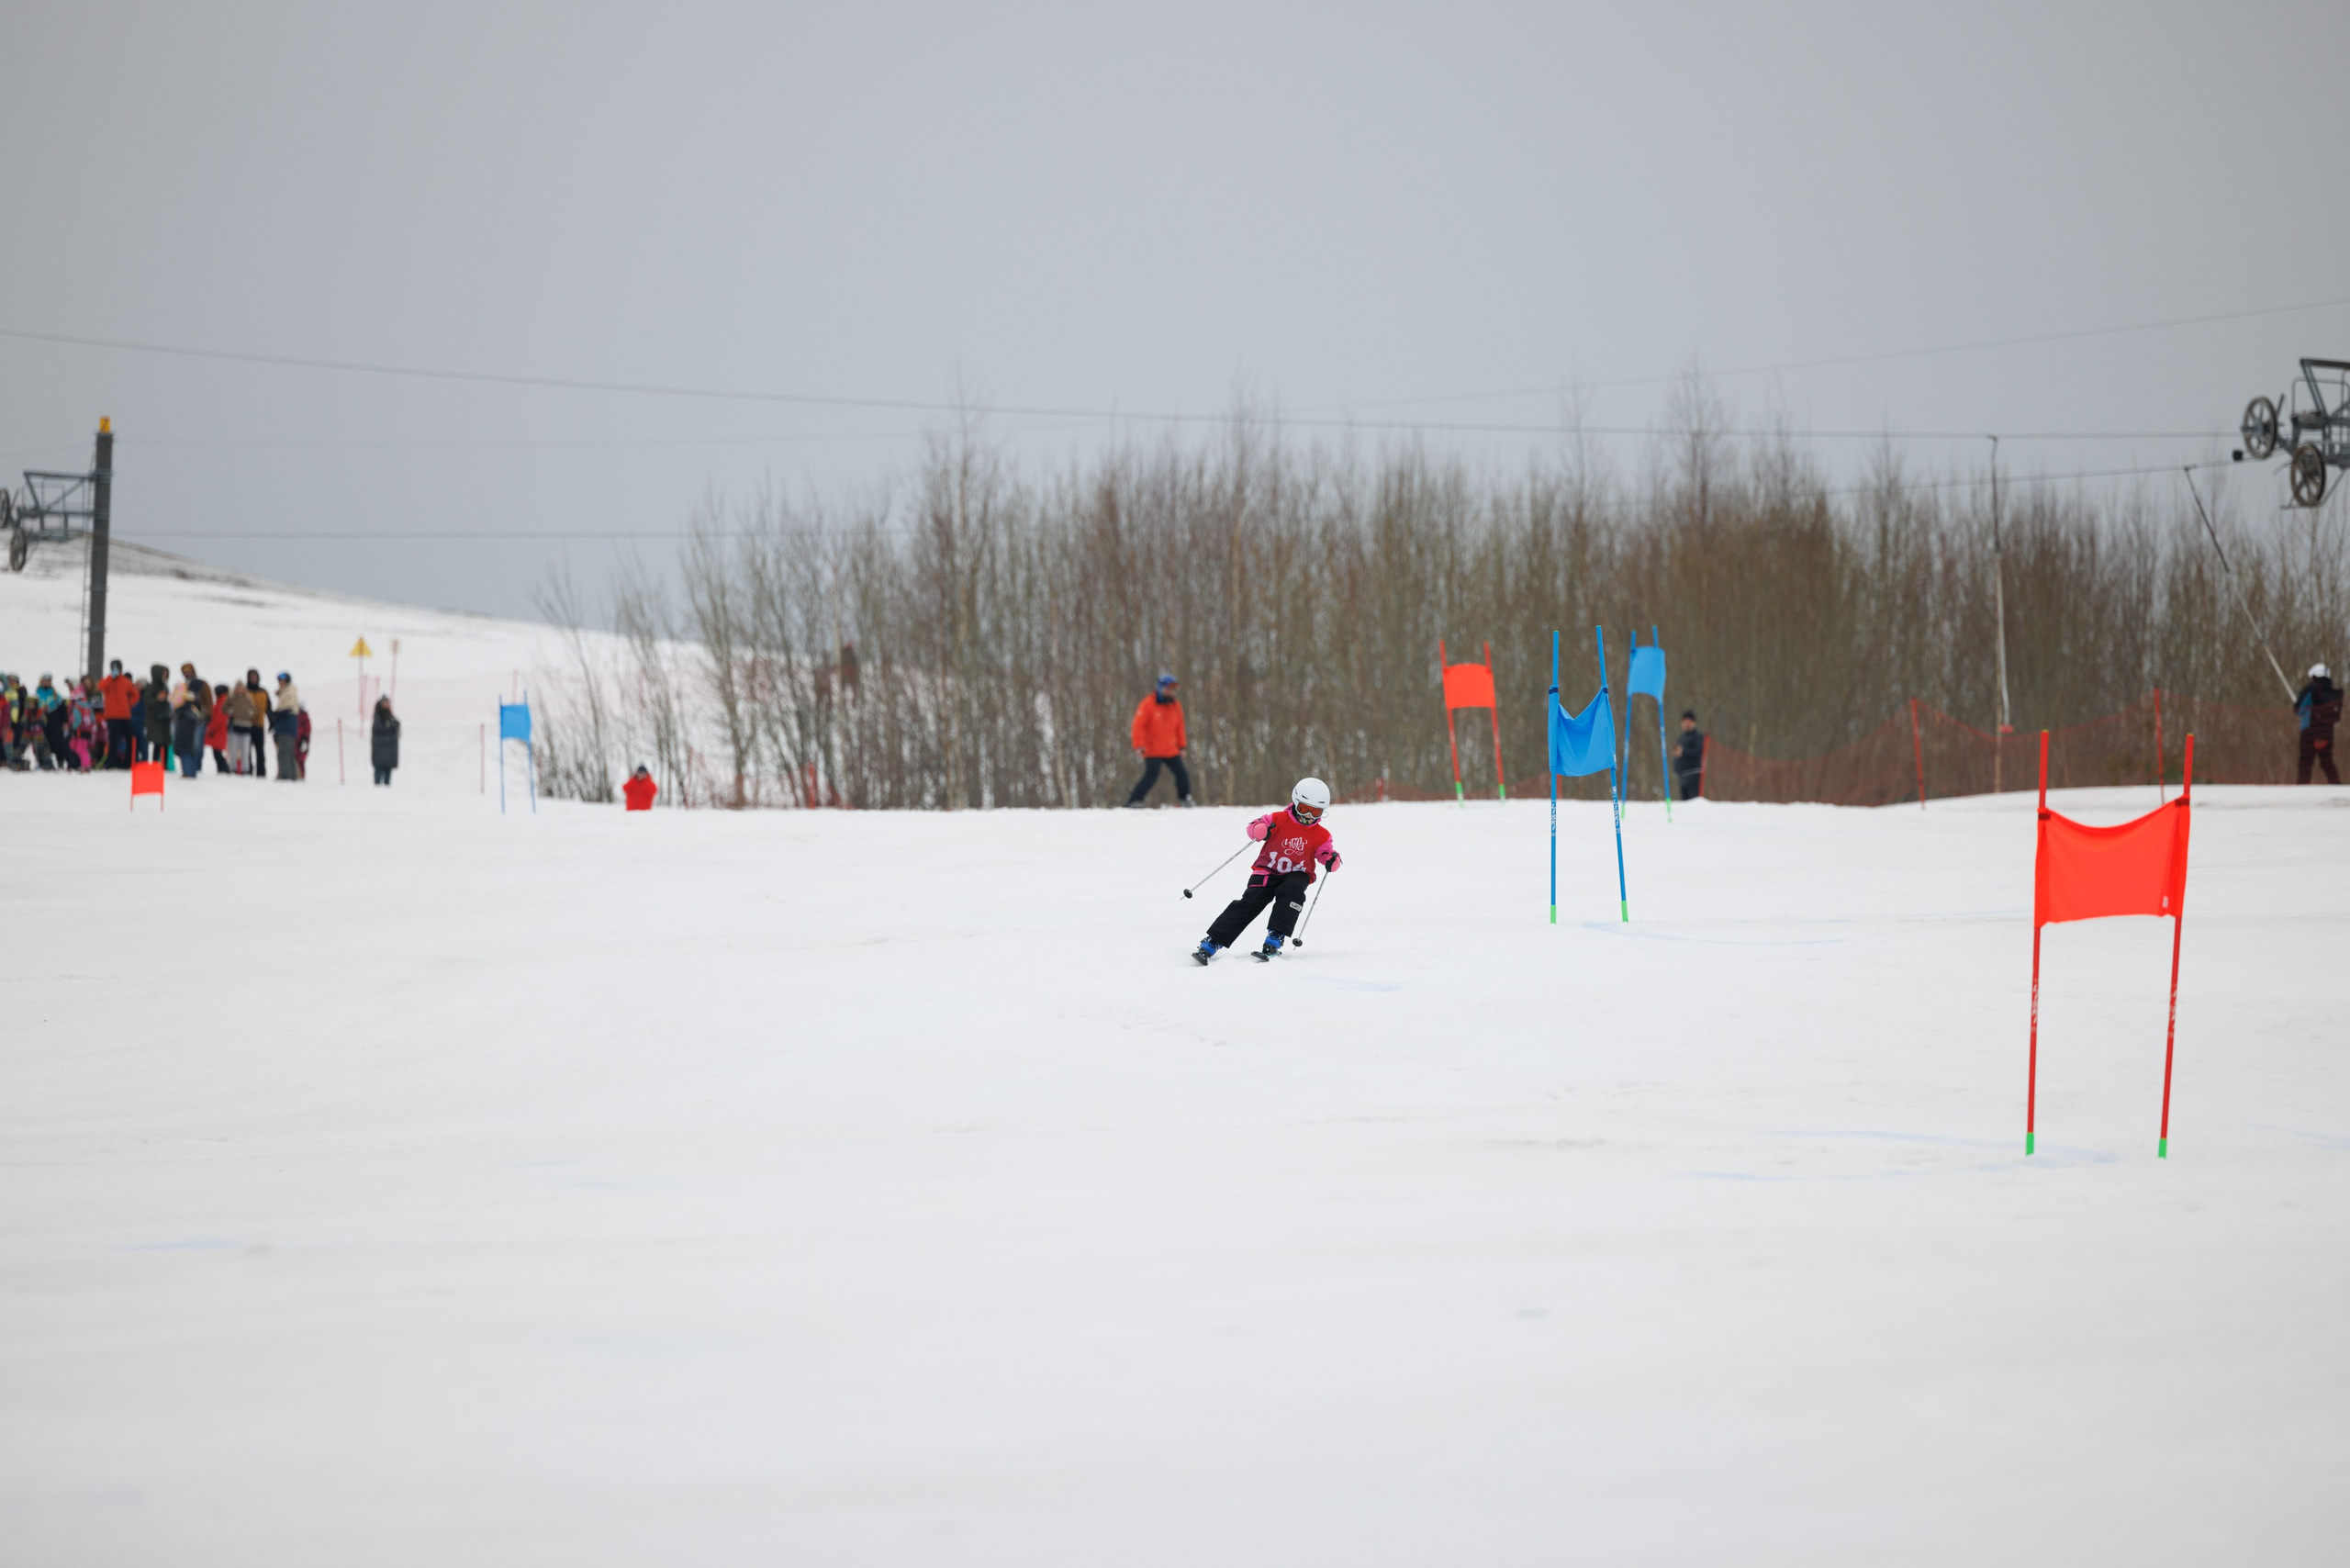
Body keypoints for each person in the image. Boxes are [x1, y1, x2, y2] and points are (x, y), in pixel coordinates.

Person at [1194, 777, 1342, 963]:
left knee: (1292, 892)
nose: (1308, 816)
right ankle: (1214, 941)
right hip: (1267, 870)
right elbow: (1253, 827)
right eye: (1305, 809)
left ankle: (1275, 937)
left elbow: (1325, 853)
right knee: (1250, 902)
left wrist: (1331, 860)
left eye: (1316, 812)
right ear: (1295, 802)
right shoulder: (1277, 819)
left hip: (1298, 873)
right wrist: (1260, 830)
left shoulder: (1321, 834)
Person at [1125, 672, 1193, 808]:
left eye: (1173, 690)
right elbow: (1138, 726)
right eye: (1168, 689)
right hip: (1152, 749)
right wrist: (1138, 745)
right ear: (1160, 688)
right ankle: (1134, 801)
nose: (1170, 692)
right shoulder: (1148, 704)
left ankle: (1184, 799)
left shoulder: (1176, 706)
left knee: (1182, 774)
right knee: (1151, 774)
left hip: (1171, 749)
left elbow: (1180, 727)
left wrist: (1182, 747)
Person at [2296, 663, 2341, 785]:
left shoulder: (2310, 689)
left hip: (2309, 732)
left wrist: (2300, 697)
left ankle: (2302, 789)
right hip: (2327, 733)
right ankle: (2337, 786)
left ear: (2314, 675)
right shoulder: (2332, 692)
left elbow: (2298, 709)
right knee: (2327, 762)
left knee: (2305, 763)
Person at [99, 660, 140, 768]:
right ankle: (111, 764)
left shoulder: (126, 682)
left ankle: (128, 764)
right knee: (113, 741)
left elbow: (135, 695)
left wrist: (128, 704)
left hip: (125, 716)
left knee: (130, 740)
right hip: (112, 716)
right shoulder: (107, 680)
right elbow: (101, 687)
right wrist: (111, 678)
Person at [270, 673, 303, 781]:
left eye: (283, 679)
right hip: (283, 727)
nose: (281, 681)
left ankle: (286, 776)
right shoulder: (284, 693)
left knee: (284, 753)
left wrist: (276, 714)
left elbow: (288, 709)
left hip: (286, 728)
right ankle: (292, 775)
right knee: (286, 752)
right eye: (279, 679)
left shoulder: (289, 692)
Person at [141, 665, 173, 766]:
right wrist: (158, 700)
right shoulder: (152, 687)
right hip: (155, 721)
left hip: (164, 719)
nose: (165, 676)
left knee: (165, 744)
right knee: (158, 744)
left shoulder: (165, 686)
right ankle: (156, 765)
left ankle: (164, 765)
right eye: (163, 674)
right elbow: (147, 702)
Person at [1672, 711, 1706, 801]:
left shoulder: (1698, 736)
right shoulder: (1681, 738)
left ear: (1693, 723)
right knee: (1685, 804)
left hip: (1694, 775)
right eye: (1684, 722)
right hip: (1683, 776)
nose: (1686, 724)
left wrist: (1683, 752)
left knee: (1694, 803)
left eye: (1688, 722)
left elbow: (1699, 751)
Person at [370, 697, 400, 786]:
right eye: (385, 703)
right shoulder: (378, 717)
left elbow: (396, 725)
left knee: (388, 771)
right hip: (380, 749)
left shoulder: (391, 717)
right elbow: (378, 729)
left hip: (390, 750)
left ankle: (387, 788)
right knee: (379, 771)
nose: (387, 705)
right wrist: (390, 728)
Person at [207, 684, 233, 774]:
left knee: (217, 752)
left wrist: (211, 728)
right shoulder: (223, 701)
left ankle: (223, 769)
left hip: (219, 731)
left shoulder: (222, 702)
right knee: (218, 752)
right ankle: (223, 769)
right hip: (221, 731)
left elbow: (220, 718)